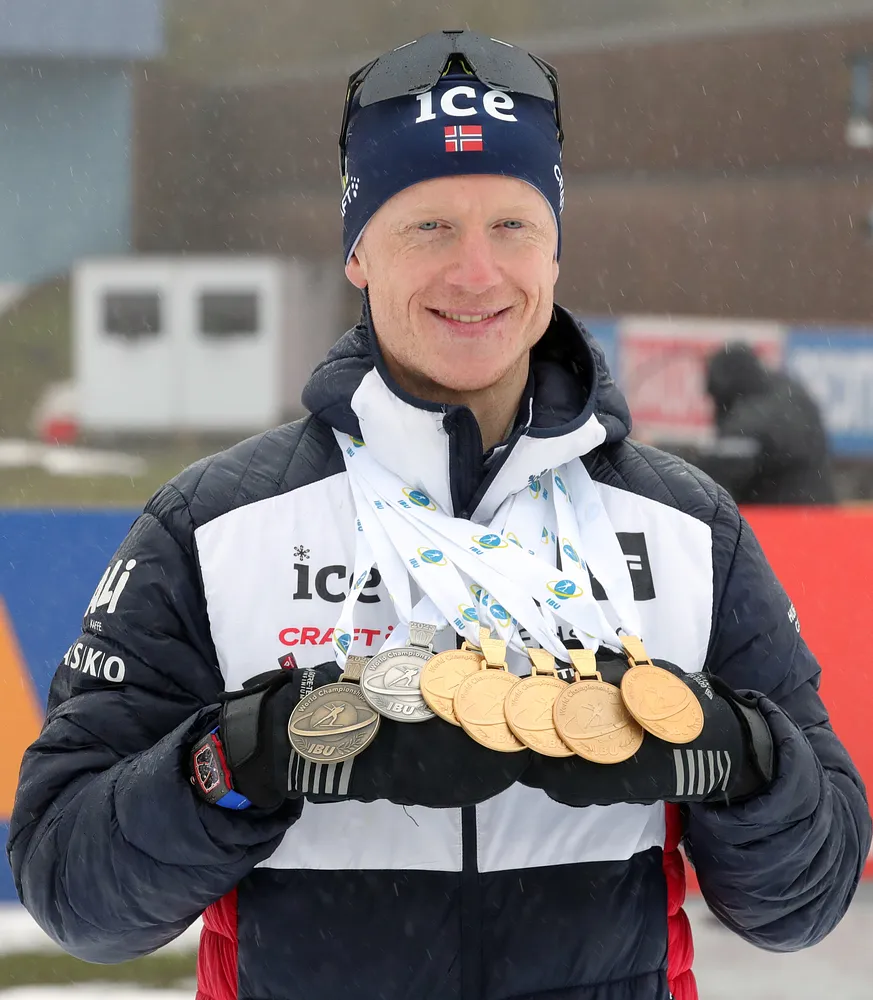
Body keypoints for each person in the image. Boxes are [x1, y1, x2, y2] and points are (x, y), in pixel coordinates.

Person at [7, 30, 870, 1000]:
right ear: (357, 250)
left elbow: (809, 899)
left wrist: (744, 759)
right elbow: (72, 891)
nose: (475, 272)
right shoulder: (214, 526)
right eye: (428, 226)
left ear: (554, 247)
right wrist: (238, 758)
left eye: (512, 224)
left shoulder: (686, 530)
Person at [693, 341, 836, 504]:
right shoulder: (788, 392)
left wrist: (680, 467)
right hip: (820, 509)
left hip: (779, 514)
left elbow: (720, 474)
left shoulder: (752, 419)